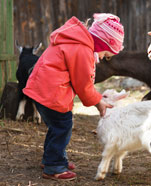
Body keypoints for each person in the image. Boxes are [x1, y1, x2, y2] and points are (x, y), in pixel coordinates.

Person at [23, 13, 124, 181]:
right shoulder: (82, 50)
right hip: (51, 93)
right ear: (101, 42)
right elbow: (83, 85)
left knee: (56, 127)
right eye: (106, 53)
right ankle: (54, 166)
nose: (105, 57)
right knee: (62, 126)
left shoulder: (73, 40)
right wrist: (98, 102)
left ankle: (52, 159)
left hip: (41, 89)